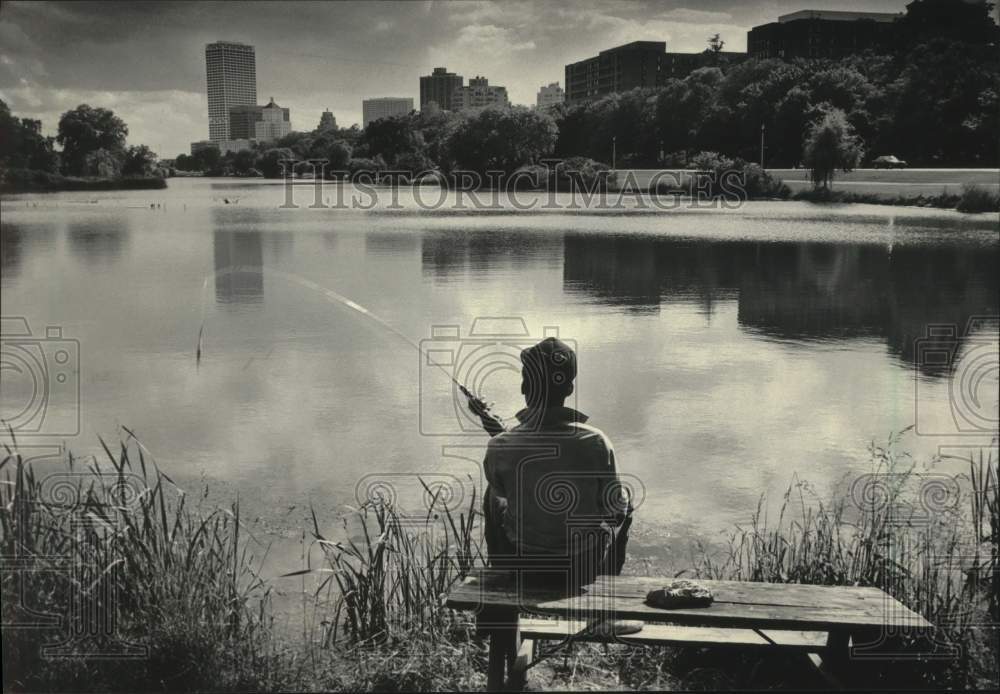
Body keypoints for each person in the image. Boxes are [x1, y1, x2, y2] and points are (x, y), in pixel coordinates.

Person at [467, 337, 632, 590]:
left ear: (525, 387)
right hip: (582, 568)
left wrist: (503, 434)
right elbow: (615, 516)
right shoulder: (596, 442)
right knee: (622, 501)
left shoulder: (500, 445)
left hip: (524, 564)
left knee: (494, 496)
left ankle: (499, 575)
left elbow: (518, 466)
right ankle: (605, 605)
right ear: (569, 389)